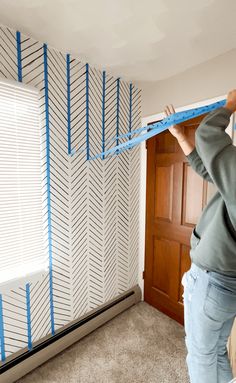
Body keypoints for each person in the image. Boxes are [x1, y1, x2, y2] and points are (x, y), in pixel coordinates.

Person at [164, 90, 236, 383]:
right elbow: (211, 170)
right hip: (229, 285)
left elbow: (208, 134)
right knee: (216, 351)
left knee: (200, 355)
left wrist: (230, 105)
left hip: (212, 281)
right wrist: (181, 137)